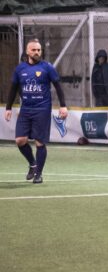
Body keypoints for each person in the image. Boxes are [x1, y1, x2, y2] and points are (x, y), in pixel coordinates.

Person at [4, 39, 68, 184]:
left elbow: (58, 86)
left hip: (42, 109)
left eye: (39, 50)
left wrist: (63, 106)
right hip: (26, 109)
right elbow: (13, 89)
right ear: (27, 52)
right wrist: (8, 107)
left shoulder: (47, 67)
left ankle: (38, 174)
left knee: (39, 142)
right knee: (20, 140)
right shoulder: (20, 69)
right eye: (34, 50)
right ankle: (33, 164)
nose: (37, 52)